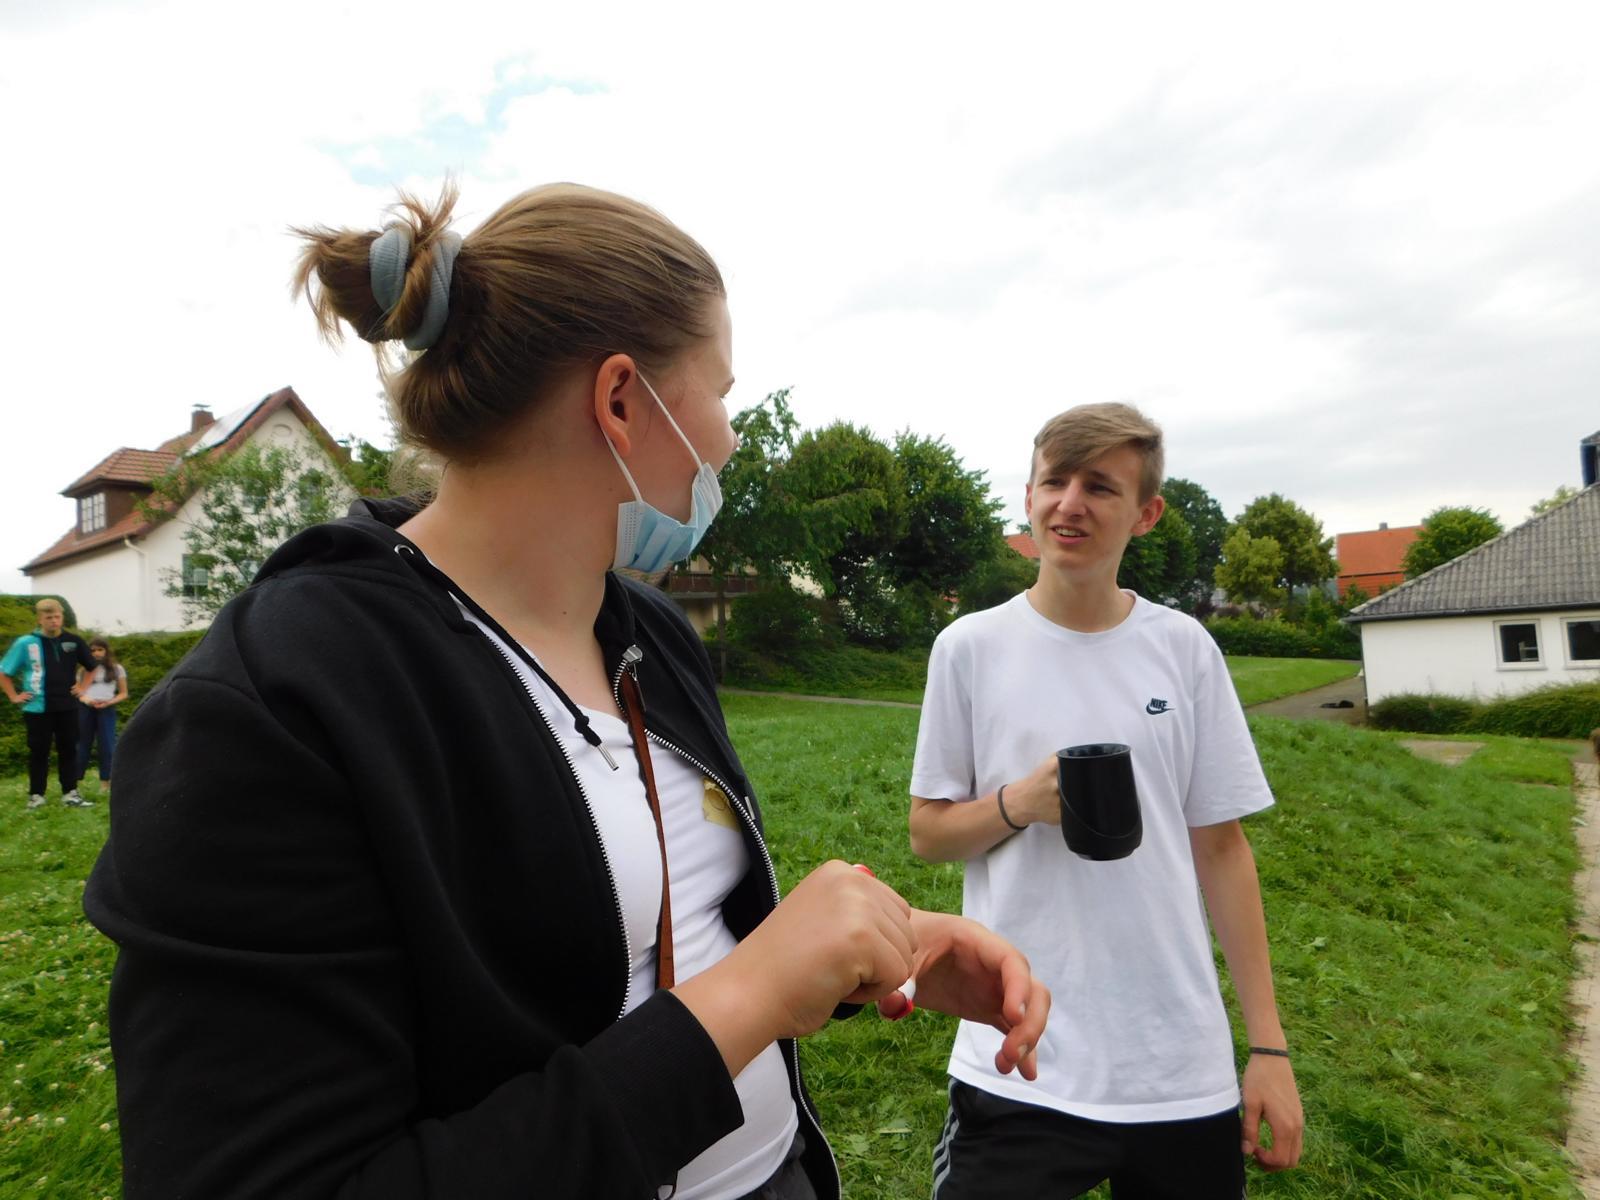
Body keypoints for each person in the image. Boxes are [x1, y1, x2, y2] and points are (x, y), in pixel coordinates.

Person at [83, 183, 1050, 1200]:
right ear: (622, 400)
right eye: (722, 392)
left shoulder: (645, 633)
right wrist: (757, 994)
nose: (727, 441)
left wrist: (863, 953)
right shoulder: (275, 705)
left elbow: (655, 946)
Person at [908, 403, 1304, 1198]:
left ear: (1145, 514)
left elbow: (1222, 849)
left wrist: (1269, 1048)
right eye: (1054, 481)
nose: (1070, 504)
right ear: (1028, 497)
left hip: (1176, 1067)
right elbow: (929, 834)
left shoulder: (1183, 648)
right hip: (1018, 1053)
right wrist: (1019, 803)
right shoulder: (970, 649)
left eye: (1100, 486)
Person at [2, 597, 95, 808]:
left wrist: (82, 688)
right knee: (39, 751)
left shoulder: (73, 641)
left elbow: (92, 666)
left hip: (67, 706)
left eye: (57, 616)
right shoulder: (25, 643)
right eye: (49, 617)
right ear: (40, 619)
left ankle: (70, 793)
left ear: (62, 617)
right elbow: (4, 672)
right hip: (37, 708)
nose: (54, 621)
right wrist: (13, 696)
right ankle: (36, 795)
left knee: (69, 749)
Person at [76, 637, 128, 793]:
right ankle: (74, 784)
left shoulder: (117, 669)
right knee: (82, 745)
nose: (96, 653)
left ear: (106, 651)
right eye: (92, 650)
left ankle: (106, 784)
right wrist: (87, 700)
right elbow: (78, 693)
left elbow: (123, 693)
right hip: (86, 709)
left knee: (107, 745)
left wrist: (109, 702)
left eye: (100, 649)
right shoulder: (82, 670)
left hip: (106, 709)